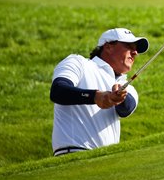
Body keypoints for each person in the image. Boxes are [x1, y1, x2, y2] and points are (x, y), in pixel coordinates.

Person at [50, 28, 149, 156]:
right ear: (108, 46)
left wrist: (119, 97)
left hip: (107, 161)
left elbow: (126, 109)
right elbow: (58, 91)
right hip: (73, 153)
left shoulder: (128, 87)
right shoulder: (79, 63)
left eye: (136, 48)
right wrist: (95, 96)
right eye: (129, 46)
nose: (135, 52)